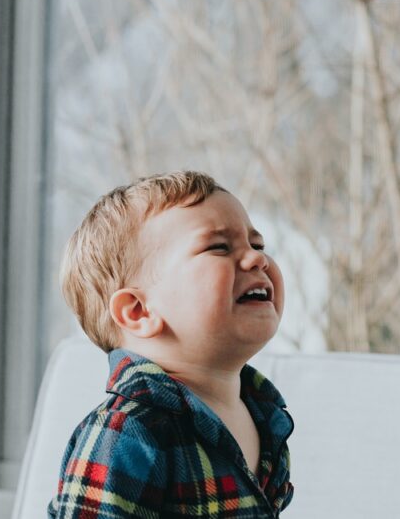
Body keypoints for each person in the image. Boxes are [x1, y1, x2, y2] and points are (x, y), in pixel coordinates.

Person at [48, 170, 294, 518]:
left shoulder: (265, 417)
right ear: (138, 311)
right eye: (219, 247)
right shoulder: (125, 431)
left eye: (257, 245)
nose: (258, 259)